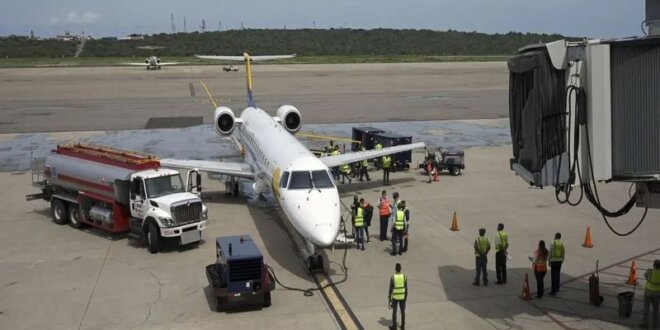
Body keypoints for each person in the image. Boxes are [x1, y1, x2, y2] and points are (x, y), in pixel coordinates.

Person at [640, 259, 660, 329]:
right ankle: (655, 325)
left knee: (646, 308)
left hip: (648, 292)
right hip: (657, 294)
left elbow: (645, 276)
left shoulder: (650, 271)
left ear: (653, 265)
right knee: (656, 309)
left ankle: (645, 323)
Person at [388, 263, 407, 330]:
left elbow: (391, 288)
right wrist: (405, 297)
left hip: (395, 297)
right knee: (402, 312)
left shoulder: (393, 277)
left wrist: (389, 296)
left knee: (394, 312)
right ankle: (403, 326)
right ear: (400, 269)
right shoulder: (404, 277)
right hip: (402, 297)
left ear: (395, 269)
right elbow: (406, 288)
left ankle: (394, 326)